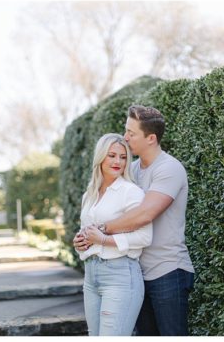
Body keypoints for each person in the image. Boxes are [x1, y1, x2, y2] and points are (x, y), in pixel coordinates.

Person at [74, 105, 195, 336]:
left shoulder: (169, 168)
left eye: (131, 133)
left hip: (166, 270)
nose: (125, 137)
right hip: (135, 270)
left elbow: (144, 215)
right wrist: (84, 238)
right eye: (126, 130)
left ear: (151, 138)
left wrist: (100, 232)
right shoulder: (132, 168)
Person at [77, 133, 153, 336]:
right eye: (111, 155)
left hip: (120, 275)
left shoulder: (131, 191)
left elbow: (145, 237)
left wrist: (103, 240)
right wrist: (80, 241)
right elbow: (88, 230)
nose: (118, 161)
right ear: (101, 157)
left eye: (123, 157)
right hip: (91, 274)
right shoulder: (89, 195)